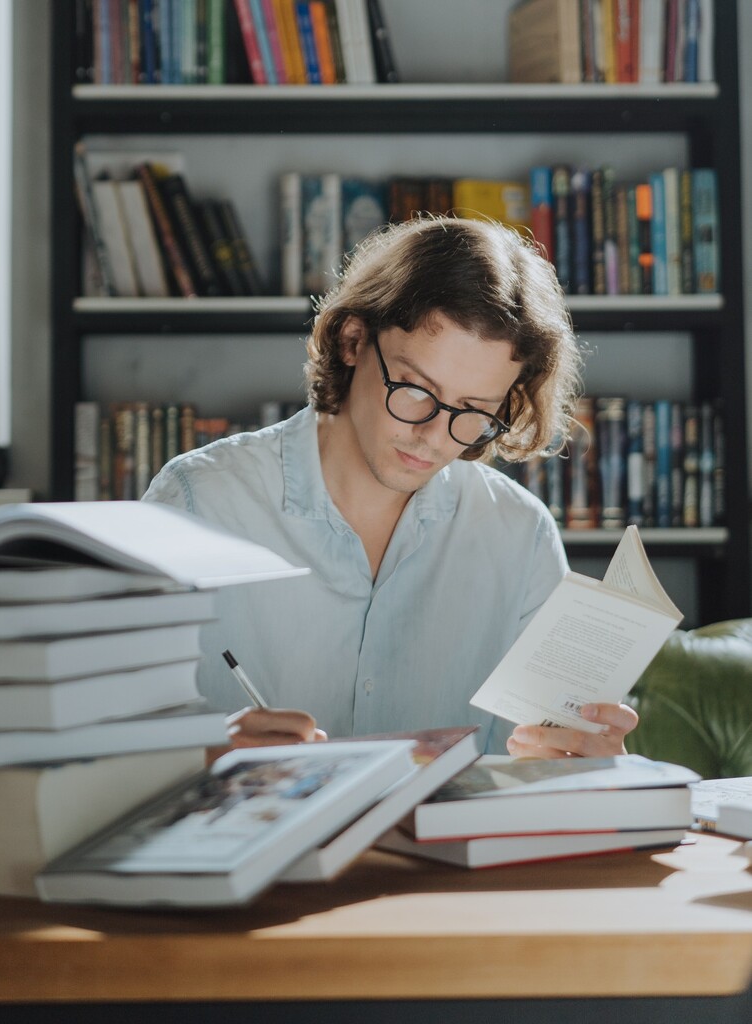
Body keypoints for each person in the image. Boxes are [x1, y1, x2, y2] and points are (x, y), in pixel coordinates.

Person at [142, 216, 639, 759]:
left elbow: (545, 773)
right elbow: (106, 749)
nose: (431, 435)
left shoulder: (519, 536)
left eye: (474, 411)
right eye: (415, 389)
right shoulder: (196, 503)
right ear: (353, 340)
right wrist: (198, 752)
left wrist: (583, 763)